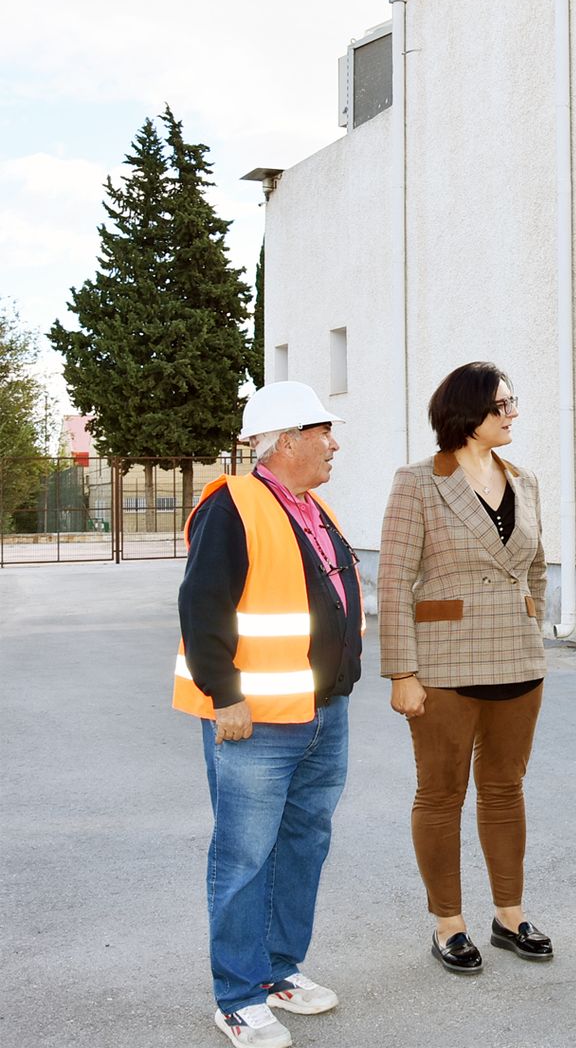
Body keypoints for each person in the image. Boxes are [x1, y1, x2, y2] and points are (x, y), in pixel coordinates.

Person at [176, 381, 363, 1048]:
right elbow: (203, 605)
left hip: (322, 712)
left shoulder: (314, 509)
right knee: (244, 856)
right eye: (323, 432)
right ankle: (235, 995)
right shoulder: (234, 506)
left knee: (302, 846)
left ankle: (279, 973)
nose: (334, 443)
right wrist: (223, 693)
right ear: (287, 441)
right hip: (254, 720)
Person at [379, 362, 552, 974]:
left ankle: (509, 914)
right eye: (502, 404)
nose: (512, 414)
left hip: (517, 661)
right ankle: (448, 922)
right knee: (442, 792)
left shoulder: (525, 481)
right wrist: (402, 670)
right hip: (444, 665)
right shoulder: (419, 482)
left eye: (512, 402)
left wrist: (533, 626)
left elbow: (535, 568)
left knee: (505, 790)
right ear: (468, 412)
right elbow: (394, 579)